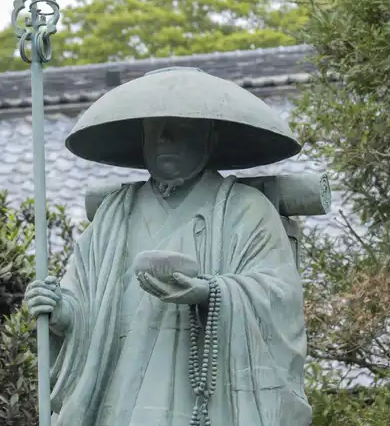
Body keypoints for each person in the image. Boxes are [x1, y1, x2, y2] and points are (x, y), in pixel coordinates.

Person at [25, 66, 312, 426]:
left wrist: (211, 292)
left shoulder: (245, 209)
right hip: (120, 395)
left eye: (182, 128)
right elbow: (80, 298)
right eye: (154, 130)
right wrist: (60, 309)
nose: (165, 139)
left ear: (211, 136)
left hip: (204, 401)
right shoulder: (115, 215)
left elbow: (279, 295)